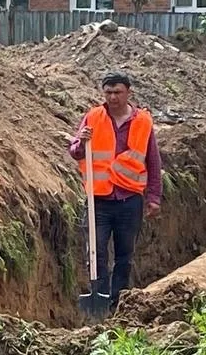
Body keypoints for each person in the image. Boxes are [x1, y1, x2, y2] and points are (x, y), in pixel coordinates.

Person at [69, 71, 162, 312]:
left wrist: (153, 196)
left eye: (117, 92)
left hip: (129, 199)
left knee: (124, 255)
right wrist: (81, 141)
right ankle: (99, 301)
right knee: (96, 252)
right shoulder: (93, 117)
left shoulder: (143, 122)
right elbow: (75, 151)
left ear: (128, 92)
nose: (112, 97)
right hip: (99, 200)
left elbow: (153, 161)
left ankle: (117, 303)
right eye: (108, 92)